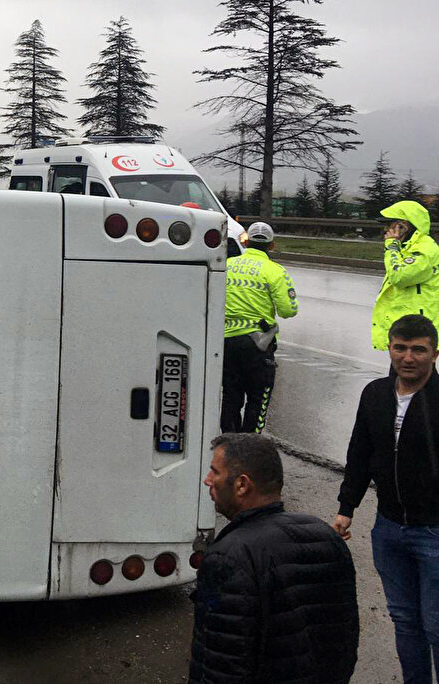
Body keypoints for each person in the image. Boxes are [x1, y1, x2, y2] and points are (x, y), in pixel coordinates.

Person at [190, 433, 358, 683]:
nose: (207, 480)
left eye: (215, 472)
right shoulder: (327, 538)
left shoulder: (227, 559)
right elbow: (345, 641)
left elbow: (220, 665)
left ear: (242, 485)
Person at [334, 313, 439, 683]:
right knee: (405, 620)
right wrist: (347, 508)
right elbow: (359, 453)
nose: (408, 357)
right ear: (390, 348)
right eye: (401, 348)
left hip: (434, 533)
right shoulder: (375, 394)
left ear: (434, 354)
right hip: (389, 530)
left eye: (418, 350)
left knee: (437, 625)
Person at [221, 221, 298, 433]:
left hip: (226, 341)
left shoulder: (228, 265)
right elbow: (288, 310)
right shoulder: (275, 271)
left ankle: (228, 445)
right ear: (271, 246)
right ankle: (250, 449)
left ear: (245, 241)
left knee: (230, 396)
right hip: (258, 345)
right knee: (258, 398)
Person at [372, 201, 439, 354]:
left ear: (404, 226)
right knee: (400, 376)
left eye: (390, 225)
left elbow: (400, 276)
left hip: (418, 332)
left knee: (416, 374)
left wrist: (391, 247)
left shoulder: (425, 249)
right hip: (406, 330)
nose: (385, 230)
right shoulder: (407, 248)